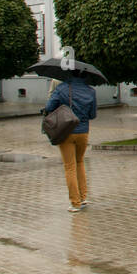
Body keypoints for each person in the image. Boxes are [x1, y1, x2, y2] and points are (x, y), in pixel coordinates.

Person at [44, 77, 97, 213]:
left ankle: (75, 203)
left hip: (66, 131)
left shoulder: (61, 89)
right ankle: (83, 197)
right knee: (80, 162)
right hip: (83, 132)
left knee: (69, 167)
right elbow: (93, 115)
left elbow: (49, 107)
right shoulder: (90, 91)